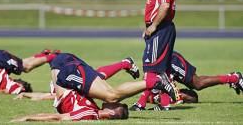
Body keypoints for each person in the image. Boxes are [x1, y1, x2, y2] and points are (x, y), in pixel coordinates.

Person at [12, 52, 177, 122]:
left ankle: (125, 64)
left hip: (63, 66)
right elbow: (59, 117)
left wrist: (29, 116)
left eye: (118, 105)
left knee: (103, 87)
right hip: (65, 70)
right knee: (110, 94)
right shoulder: (91, 111)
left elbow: (58, 118)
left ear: (111, 113)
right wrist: (28, 117)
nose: (115, 103)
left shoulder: (91, 112)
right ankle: (155, 81)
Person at [129, 51, 243, 111]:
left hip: (171, 61)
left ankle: (234, 78)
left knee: (198, 83)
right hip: (163, 62)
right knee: (192, 95)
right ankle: (144, 104)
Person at [141, 0, 177, 110]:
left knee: (152, 67)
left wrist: (153, 26)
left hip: (161, 29)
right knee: (161, 68)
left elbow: (165, 6)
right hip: (162, 28)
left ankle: (141, 103)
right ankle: (164, 104)